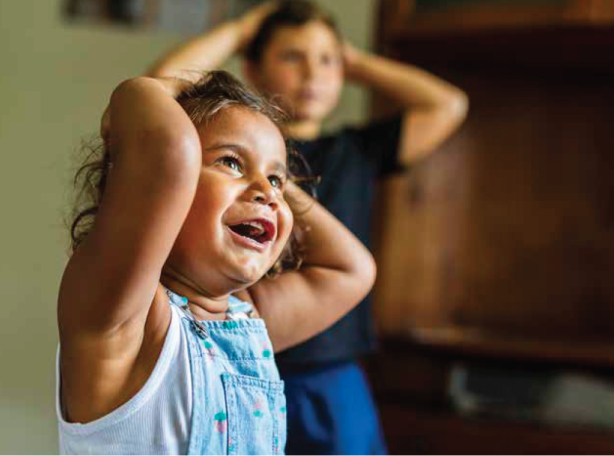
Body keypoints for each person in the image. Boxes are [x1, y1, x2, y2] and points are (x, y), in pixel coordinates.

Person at [148, 1, 468, 453]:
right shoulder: (236, 152)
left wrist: (353, 60)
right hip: (237, 354)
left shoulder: (356, 150)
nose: (313, 73)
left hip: (330, 371)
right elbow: (159, 87)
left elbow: (449, 105)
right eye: (292, 57)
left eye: (326, 60)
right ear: (253, 68)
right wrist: (242, 30)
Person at [56, 70, 376, 455]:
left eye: (277, 179)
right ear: (159, 190)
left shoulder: (248, 323)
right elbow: (167, 149)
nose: (268, 193)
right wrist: (149, 92)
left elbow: (352, 269)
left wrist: (270, 181)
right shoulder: (121, 318)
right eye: (231, 162)